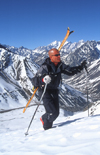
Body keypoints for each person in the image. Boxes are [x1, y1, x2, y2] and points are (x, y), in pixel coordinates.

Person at [32, 48, 87, 130]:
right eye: (56, 55)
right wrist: (43, 80)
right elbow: (35, 80)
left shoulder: (60, 65)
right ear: (51, 57)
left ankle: (45, 121)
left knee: (56, 113)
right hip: (45, 91)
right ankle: (46, 128)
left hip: (54, 90)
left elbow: (70, 71)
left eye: (59, 54)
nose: (59, 56)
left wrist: (80, 67)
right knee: (51, 113)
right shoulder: (45, 67)